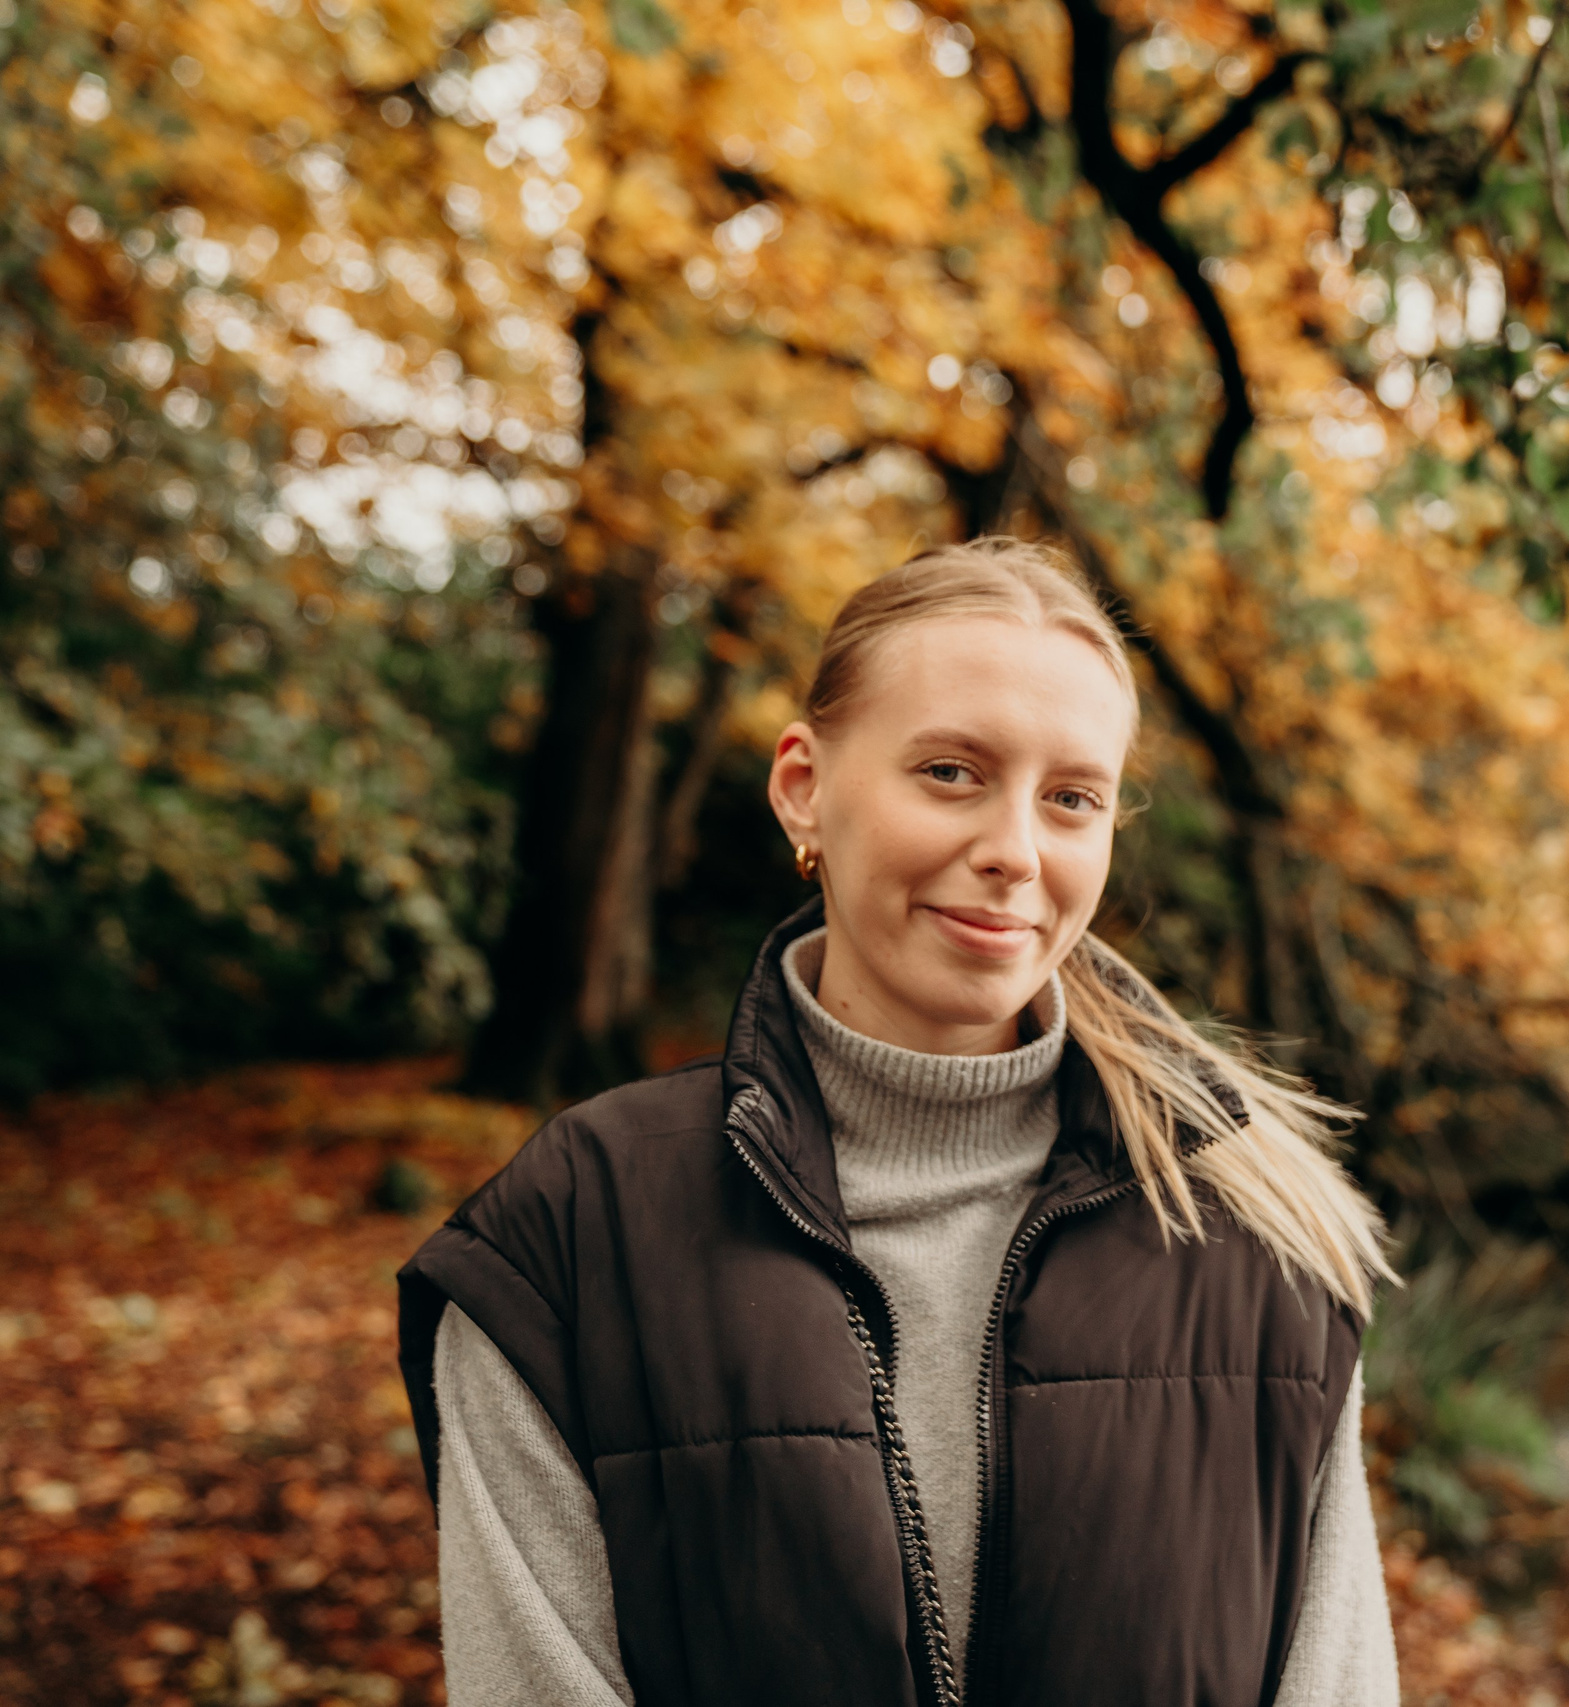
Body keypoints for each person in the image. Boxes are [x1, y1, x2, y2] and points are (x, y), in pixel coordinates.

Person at [395, 538, 1399, 1707]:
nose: (1015, 853)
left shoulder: (1260, 1239)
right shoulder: (568, 1236)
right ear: (802, 786)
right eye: (952, 773)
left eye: (1071, 799)